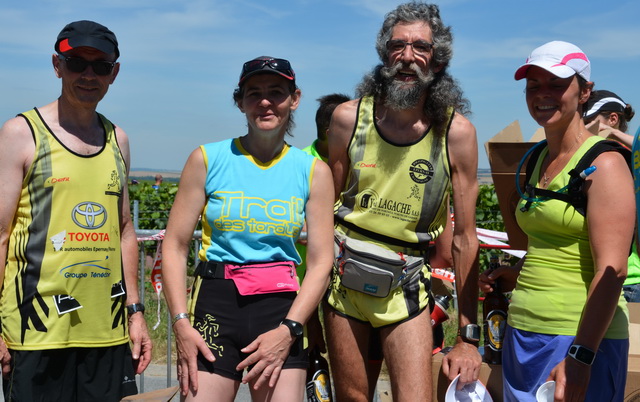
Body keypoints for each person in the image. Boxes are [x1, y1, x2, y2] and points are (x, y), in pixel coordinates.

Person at [324, 3, 482, 400]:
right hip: (343, 280)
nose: (408, 57)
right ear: (384, 54)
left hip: (407, 283)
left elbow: (465, 238)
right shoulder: (347, 119)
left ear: (438, 59)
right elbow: (324, 215)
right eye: (398, 46)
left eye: (420, 47)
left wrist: (468, 335)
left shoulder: (455, 133)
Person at [161, 56, 334, 402]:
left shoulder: (313, 171)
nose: (265, 101)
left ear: (294, 98)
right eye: (254, 93)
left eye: (277, 92)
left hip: (282, 311)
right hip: (216, 304)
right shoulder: (207, 159)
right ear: (239, 101)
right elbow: (175, 246)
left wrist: (289, 330)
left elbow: (321, 263)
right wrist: (181, 323)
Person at [0, 20, 152, 401]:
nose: (88, 75)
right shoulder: (21, 133)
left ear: (114, 73)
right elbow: (1, 235)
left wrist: (136, 312)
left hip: (108, 331)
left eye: (100, 66)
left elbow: (124, 231)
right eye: (76, 63)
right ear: (57, 65)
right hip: (35, 330)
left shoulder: (119, 139)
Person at [481, 40, 633, 401]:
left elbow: (613, 271)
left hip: (578, 338)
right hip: (524, 332)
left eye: (556, 84)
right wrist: (516, 277)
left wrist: (581, 357)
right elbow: (555, 248)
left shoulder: (606, 165)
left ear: (584, 92)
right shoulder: (536, 160)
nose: (542, 94)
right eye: (534, 85)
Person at [583, 90, 640, 303]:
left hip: (629, 280)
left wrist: (611, 134)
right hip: (594, 275)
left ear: (613, 119)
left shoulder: (627, 159)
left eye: (589, 120)